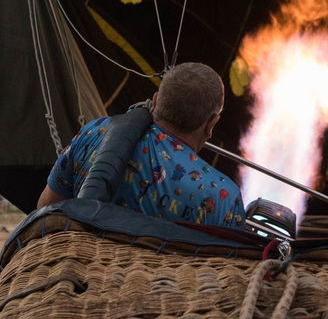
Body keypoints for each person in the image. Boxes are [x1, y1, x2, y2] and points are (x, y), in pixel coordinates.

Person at [36, 62, 246, 228]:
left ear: (155, 101)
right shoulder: (222, 196)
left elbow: (46, 209)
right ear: (211, 124)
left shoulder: (94, 132)